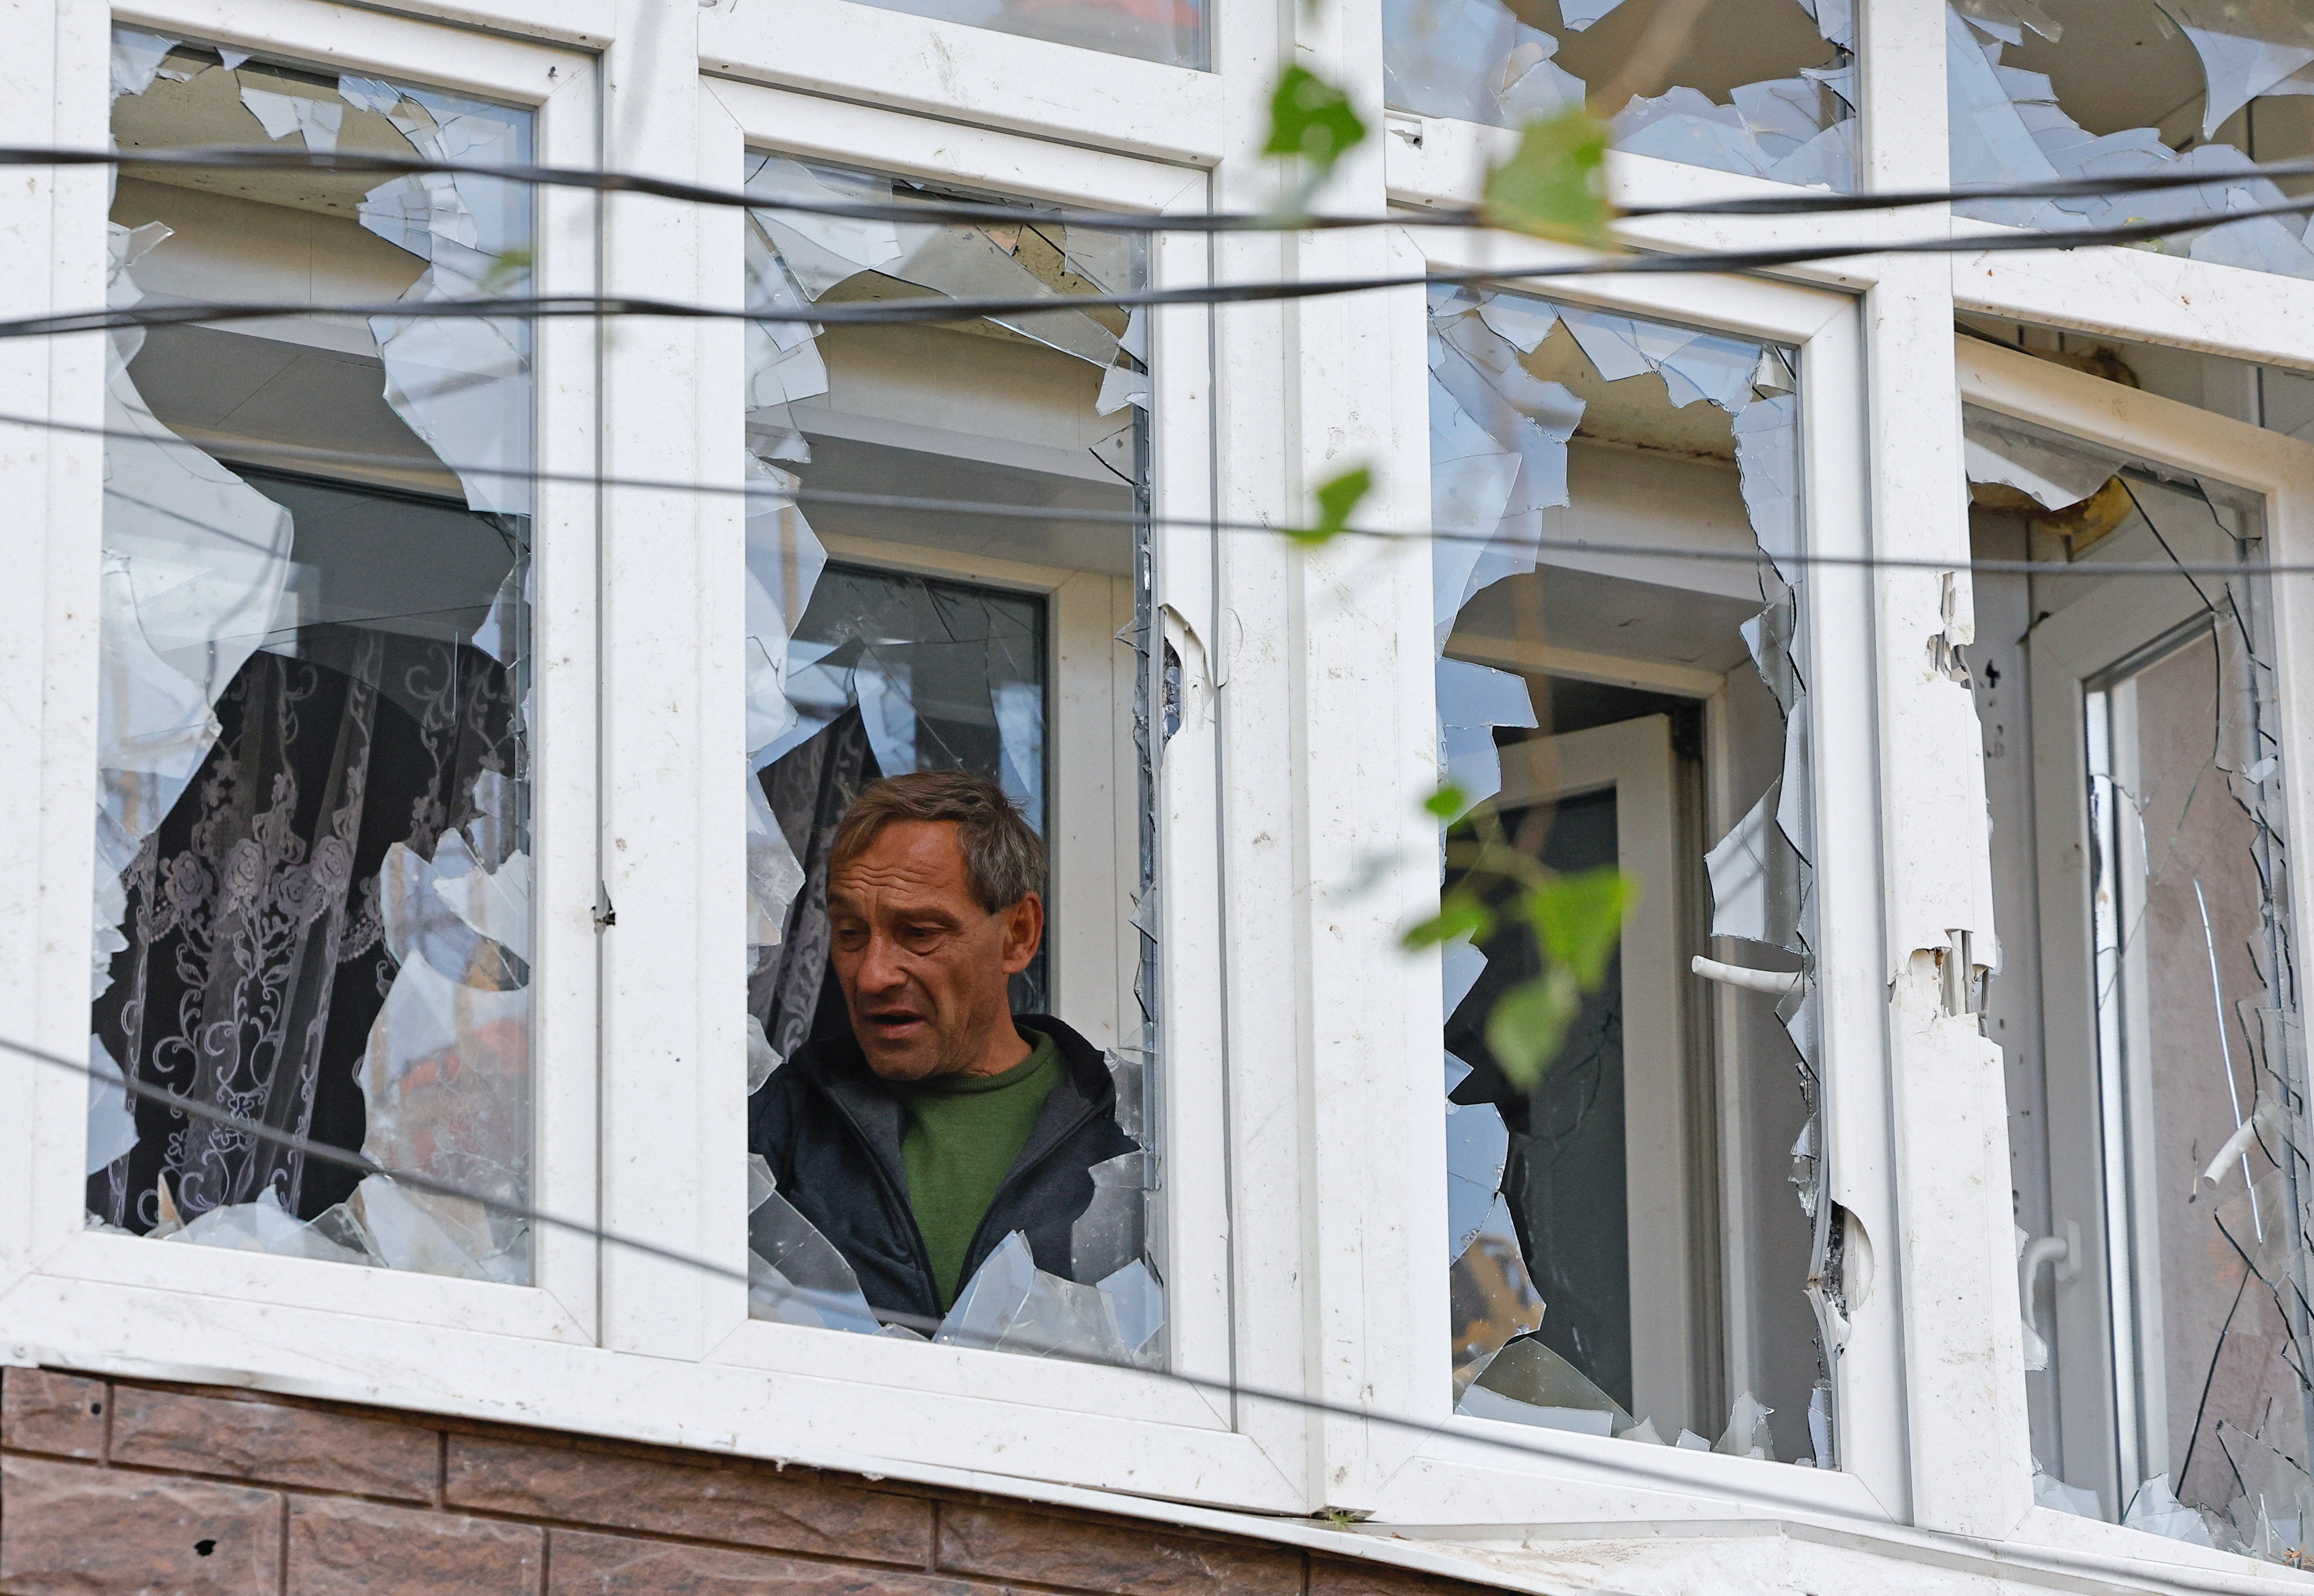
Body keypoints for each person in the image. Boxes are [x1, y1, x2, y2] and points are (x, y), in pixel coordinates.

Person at [748, 770, 1135, 1323]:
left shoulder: (1133, 1136)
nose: (872, 975)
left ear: (1018, 934)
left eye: (920, 934)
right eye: (851, 933)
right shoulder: (773, 1125)